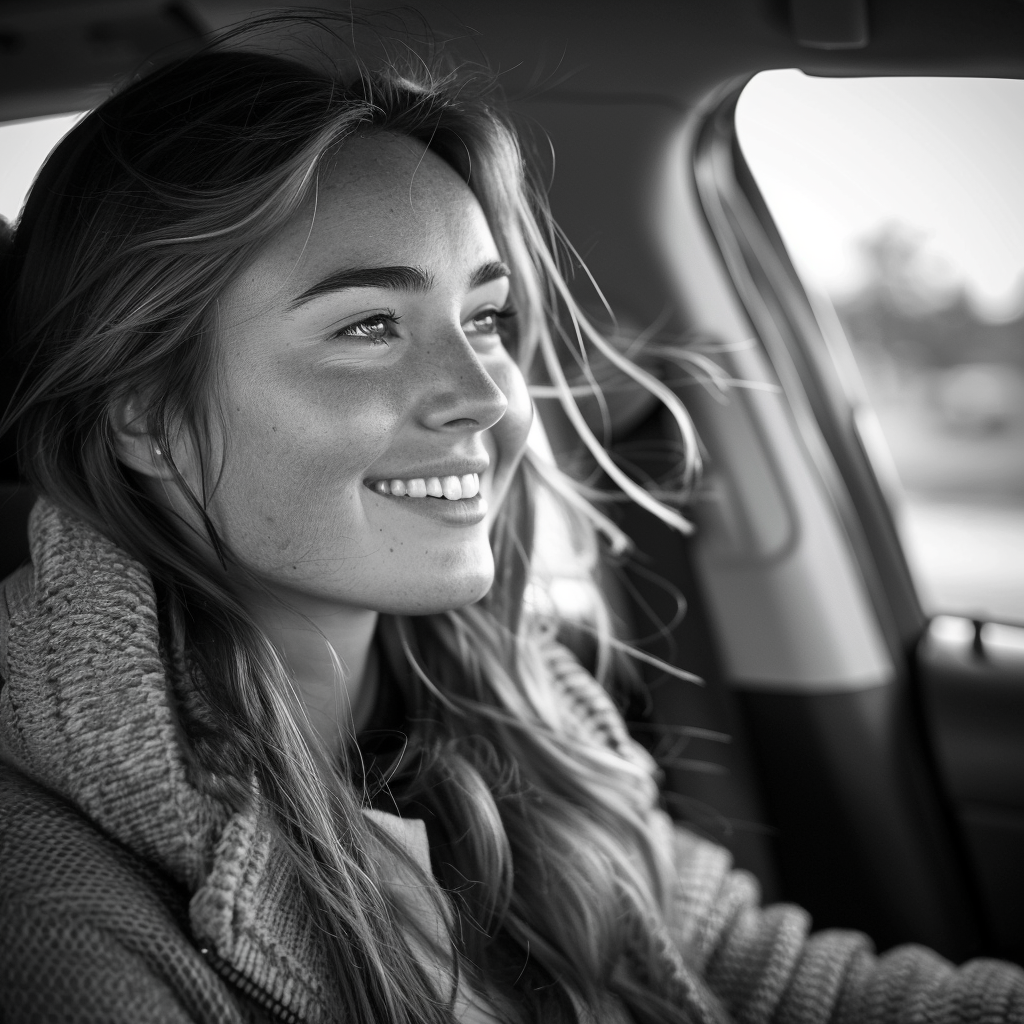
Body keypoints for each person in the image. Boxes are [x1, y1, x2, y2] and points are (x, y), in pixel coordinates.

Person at [0, 13, 1021, 1024]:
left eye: (484, 318)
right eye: (367, 326)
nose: (488, 393)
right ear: (143, 413)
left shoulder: (519, 710)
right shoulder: (51, 911)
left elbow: (778, 984)